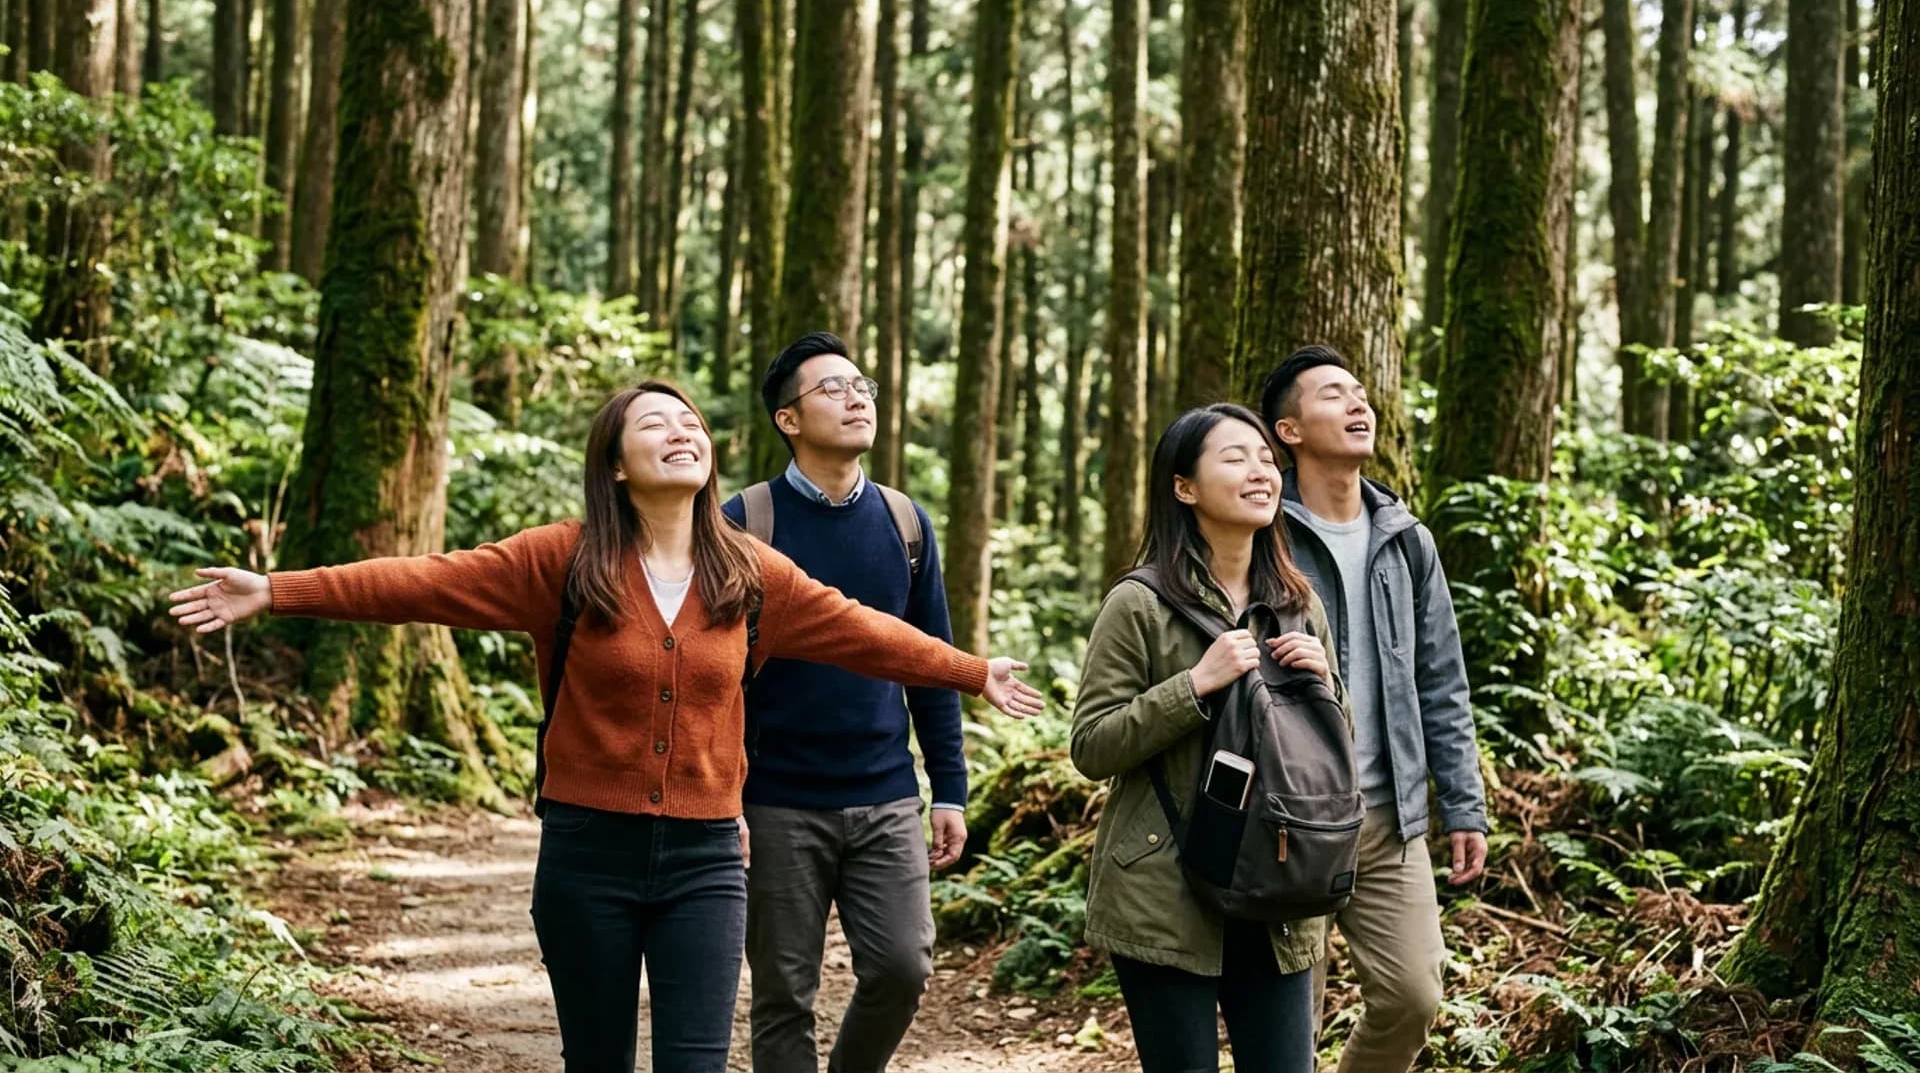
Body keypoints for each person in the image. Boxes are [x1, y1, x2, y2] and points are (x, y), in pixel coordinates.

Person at [164, 380, 1046, 1073]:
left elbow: (865, 631)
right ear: (617, 464)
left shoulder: (749, 573)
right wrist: (278, 590)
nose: (681, 432)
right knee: (597, 1062)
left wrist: (971, 671)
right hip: (588, 855)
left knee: (695, 1064)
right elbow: (422, 582)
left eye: (691, 423)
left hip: (707, 860)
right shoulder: (562, 558)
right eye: (655, 423)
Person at [718, 332, 968, 1073]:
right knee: (782, 995)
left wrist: (948, 789)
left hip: (885, 794)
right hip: (776, 800)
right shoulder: (742, 523)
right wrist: (726, 795)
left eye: (863, 385)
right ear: (787, 419)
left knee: (902, 968)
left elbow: (934, 664)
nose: (857, 396)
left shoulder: (905, 522)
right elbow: (716, 678)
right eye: (833, 387)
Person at [1070, 403, 1344, 1073]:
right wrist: (1193, 687)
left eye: (1263, 457)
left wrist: (1326, 691)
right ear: (1184, 487)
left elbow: (1333, 754)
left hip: (1278, 883)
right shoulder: (1138, 604)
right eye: (1234, 457)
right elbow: (1091, 745)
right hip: (1165, 889)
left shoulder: (1298, 605)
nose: (1260, 471)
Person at [1259, 345, 1490, 1073]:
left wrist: (1464, 806)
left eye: (1361, 393)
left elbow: (1441, 681)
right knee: (1292, 1021)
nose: (1359, 404)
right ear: (1288, 431)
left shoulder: (1406, 539)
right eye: (1333, 395)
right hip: (1290, 818)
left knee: (1413, 997)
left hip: (1390, 819)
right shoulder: (1265, 536)